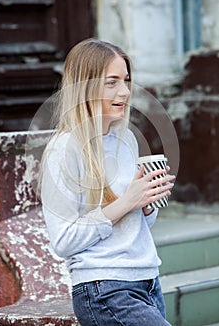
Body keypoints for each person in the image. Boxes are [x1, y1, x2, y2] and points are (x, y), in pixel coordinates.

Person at [41, 38, 175, 326]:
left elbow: (134, 225)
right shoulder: (64, 148)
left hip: (148, 280)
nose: (125, 91)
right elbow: (63, 240)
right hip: (104, 288)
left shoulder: (126, 139)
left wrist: (148, 203)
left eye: (126, 80)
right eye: (111, 82)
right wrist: (127, 201)